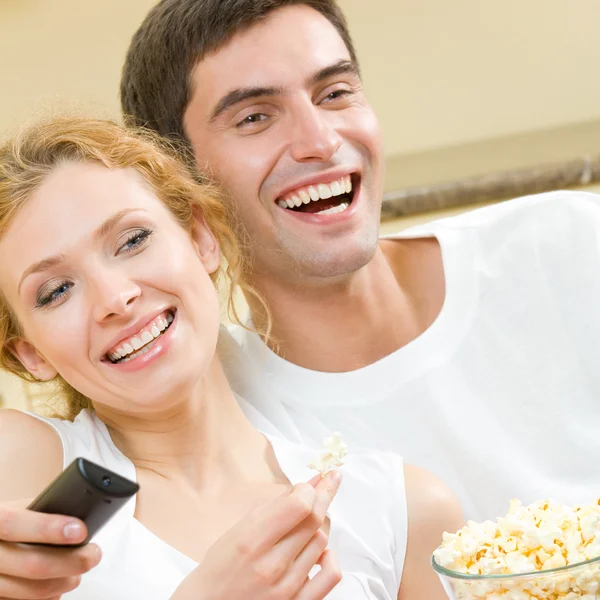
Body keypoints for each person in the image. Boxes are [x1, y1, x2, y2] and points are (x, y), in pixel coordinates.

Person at [120, 0, 600, 522]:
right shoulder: (223, 414)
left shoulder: (568, 244)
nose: (321, 141)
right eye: (255, 117)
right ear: (179, 183)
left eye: (335, 93)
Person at [0, 116, 462, 599]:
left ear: (202, 238)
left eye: (133, 240)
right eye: (56, 291)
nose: (115, 297)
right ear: (30, 353)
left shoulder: (397, 511)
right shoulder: (23, 469)